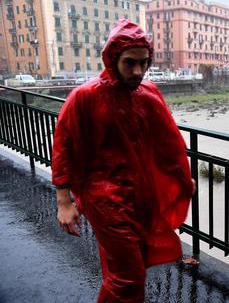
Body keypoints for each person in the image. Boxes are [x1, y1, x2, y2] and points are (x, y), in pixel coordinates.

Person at [52, 19, 195, 303]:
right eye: (130, 63)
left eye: (144, 63)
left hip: (139, 193)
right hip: (103, 197)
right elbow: (64, 147)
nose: (138, 71)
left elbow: (168, 142)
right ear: (113, 58)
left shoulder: (147, 94)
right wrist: (64, 202)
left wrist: (181, 177)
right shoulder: (85, 97)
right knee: (129, 275)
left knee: (126, 265)